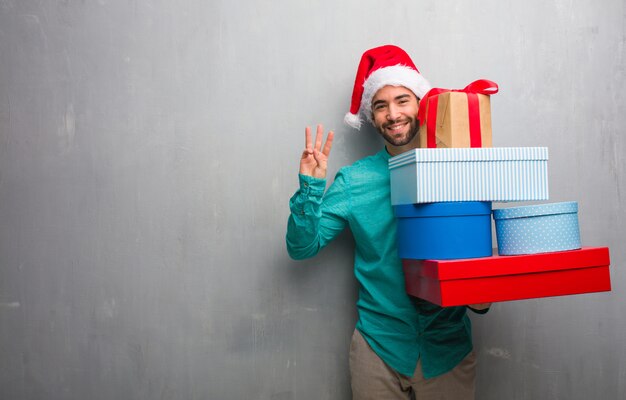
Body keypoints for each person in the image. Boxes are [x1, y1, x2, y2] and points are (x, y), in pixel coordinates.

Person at [286, 45, 490, 400]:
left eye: (401, 100)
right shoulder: (355, 181)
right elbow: (301, 248)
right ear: (372, 116)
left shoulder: (458, 167)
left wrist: (481, 289)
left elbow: (476, 255)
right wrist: (310, 188)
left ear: (421, 104)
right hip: (378, 349)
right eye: (380, 106)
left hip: (448, 349)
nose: (392, 114)